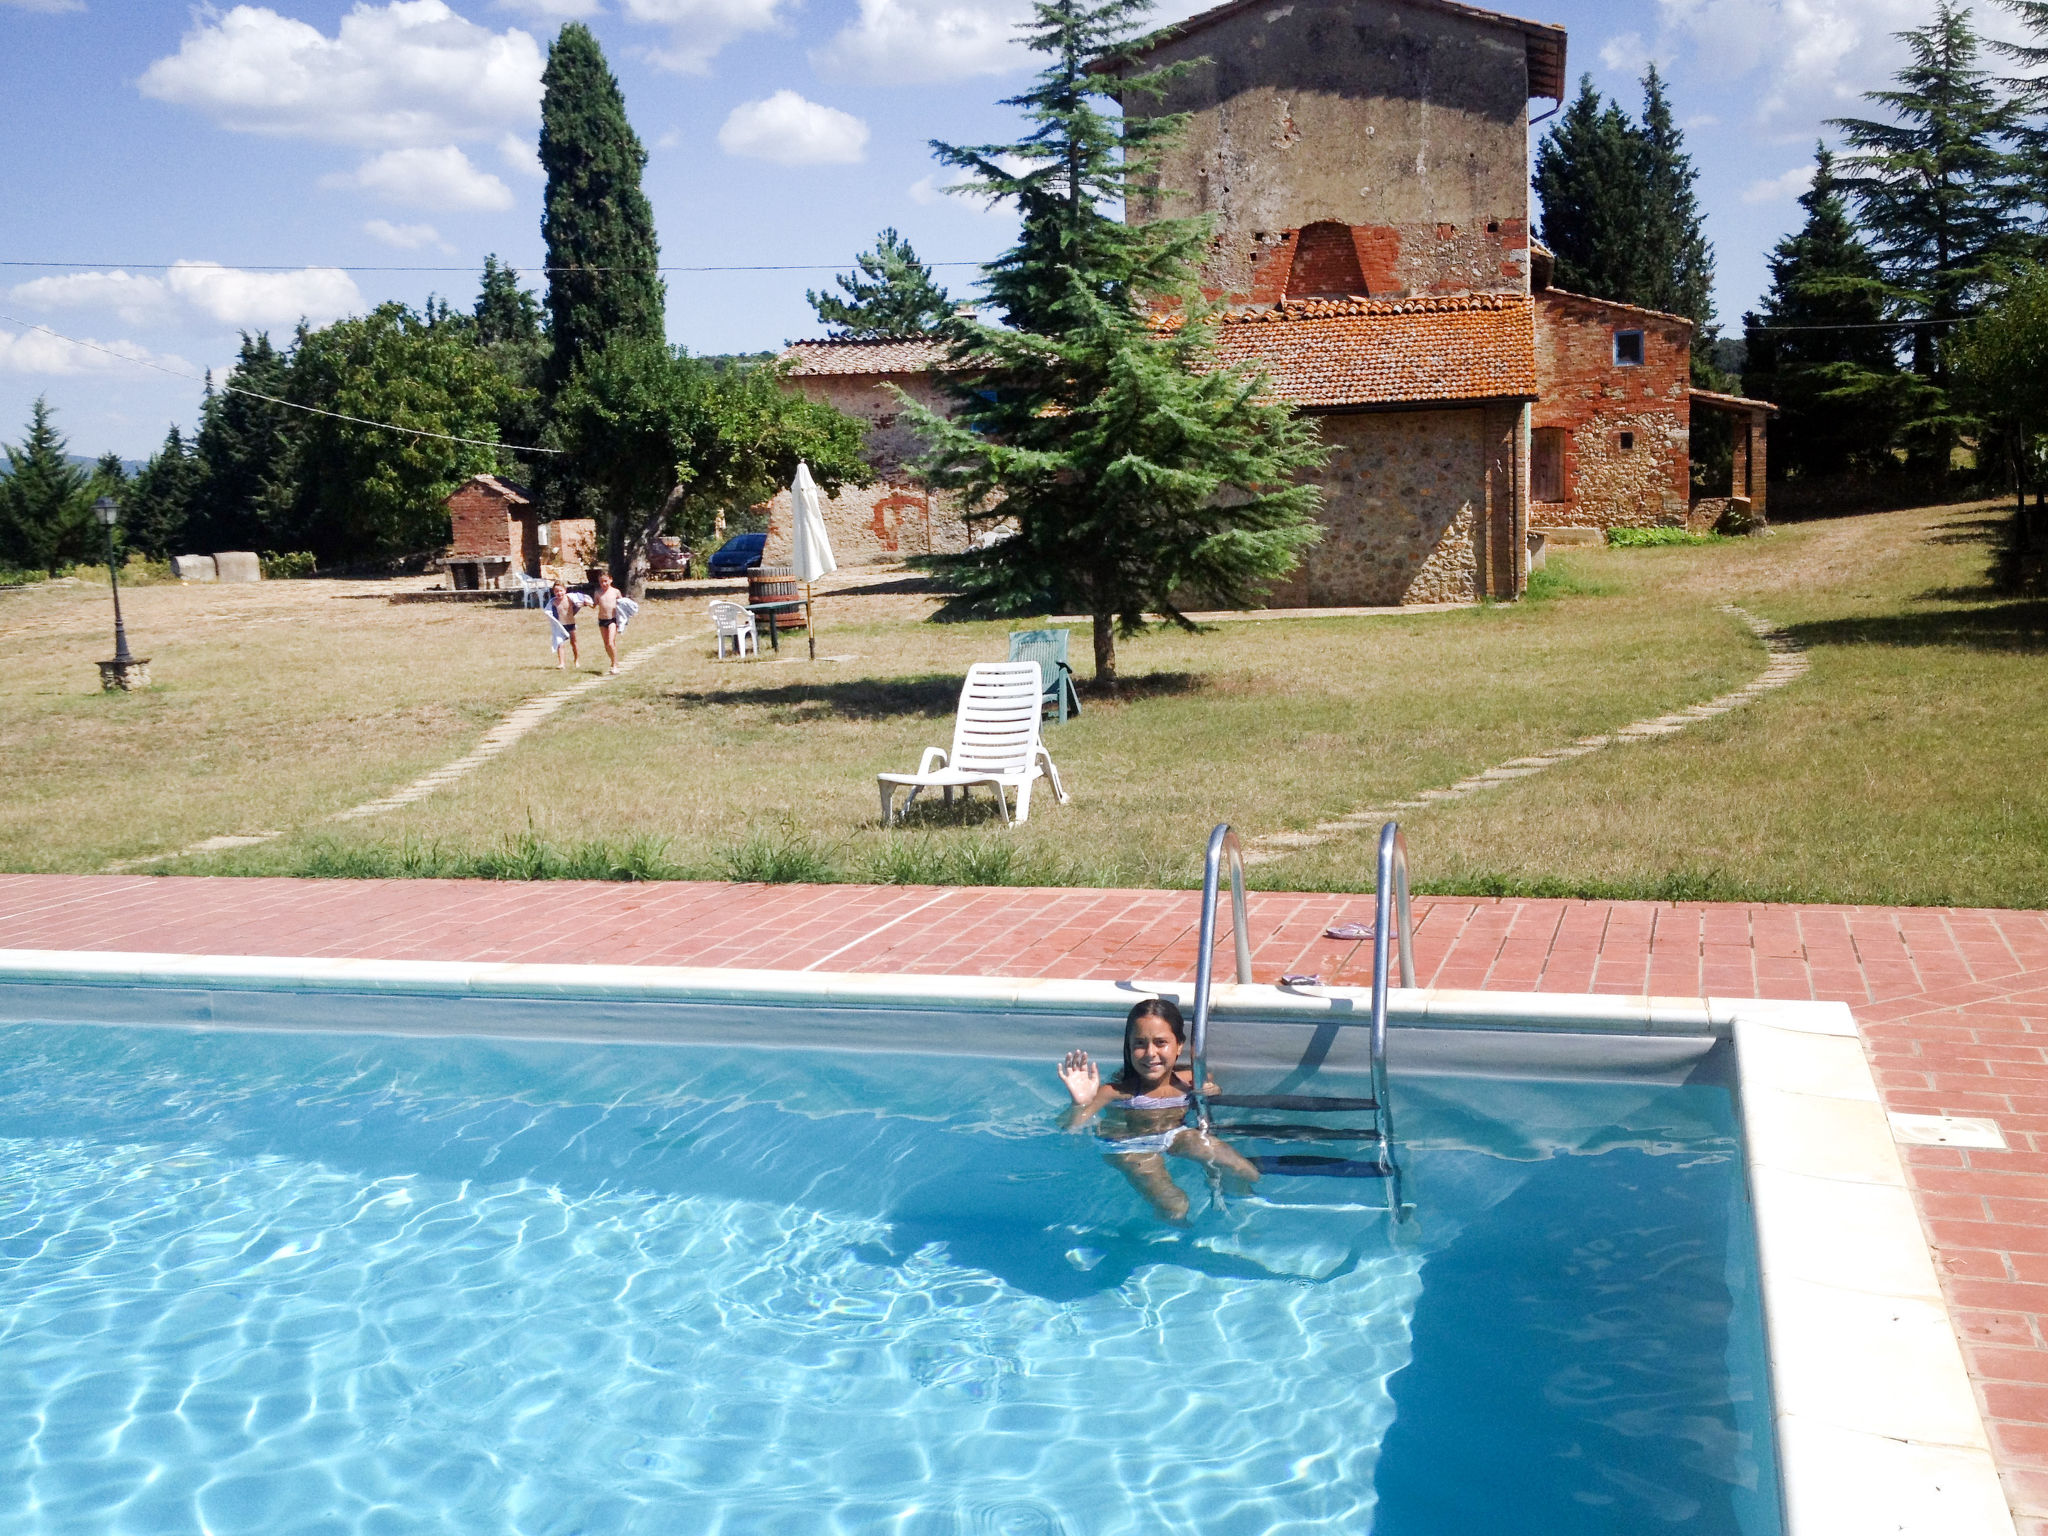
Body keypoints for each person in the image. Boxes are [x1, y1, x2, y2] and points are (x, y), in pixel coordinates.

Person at [1058, 997, 1260, 1222]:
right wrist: (1081, 1103)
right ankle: (1179, 1244)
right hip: (1127, 1145)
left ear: (1179, 1046)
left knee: (1244, 1170)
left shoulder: (1191, 1081)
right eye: (1140, 1044)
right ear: (1129, 1047)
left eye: (1160, 1043)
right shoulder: (1114, 1092)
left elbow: (1213, 1092)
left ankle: (1244, 1213)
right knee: (1175, 1205)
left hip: (1174, 1135)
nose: (1150, 1053)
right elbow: (1070, 1128)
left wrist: (1212, 1090)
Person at [588, 569, 640, 676]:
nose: (604, 584)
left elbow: (622, 604)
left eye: (606, 581)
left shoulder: (615, 592)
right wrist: (586, 603)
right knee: (606, 645)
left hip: (612, 620)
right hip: (602, 620)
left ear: (610, 580)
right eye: (601, 582)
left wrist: (625, 615)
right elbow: (594, 605)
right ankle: (613, 661)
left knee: (611, 642)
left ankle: (615, 665)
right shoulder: (598, 593)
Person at [545, 580, 590, 668]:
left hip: (571, 624)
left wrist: (584, 603)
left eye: (561, 591)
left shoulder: (570, 599)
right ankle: (562, 663)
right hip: (561, 626)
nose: (559, 593)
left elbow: (580, 602)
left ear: (565, 590)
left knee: (574, 643)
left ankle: (576, 660)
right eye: (556, 591)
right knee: (560, 644)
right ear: (553, 592)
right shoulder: (553, 602)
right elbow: (548, 611)